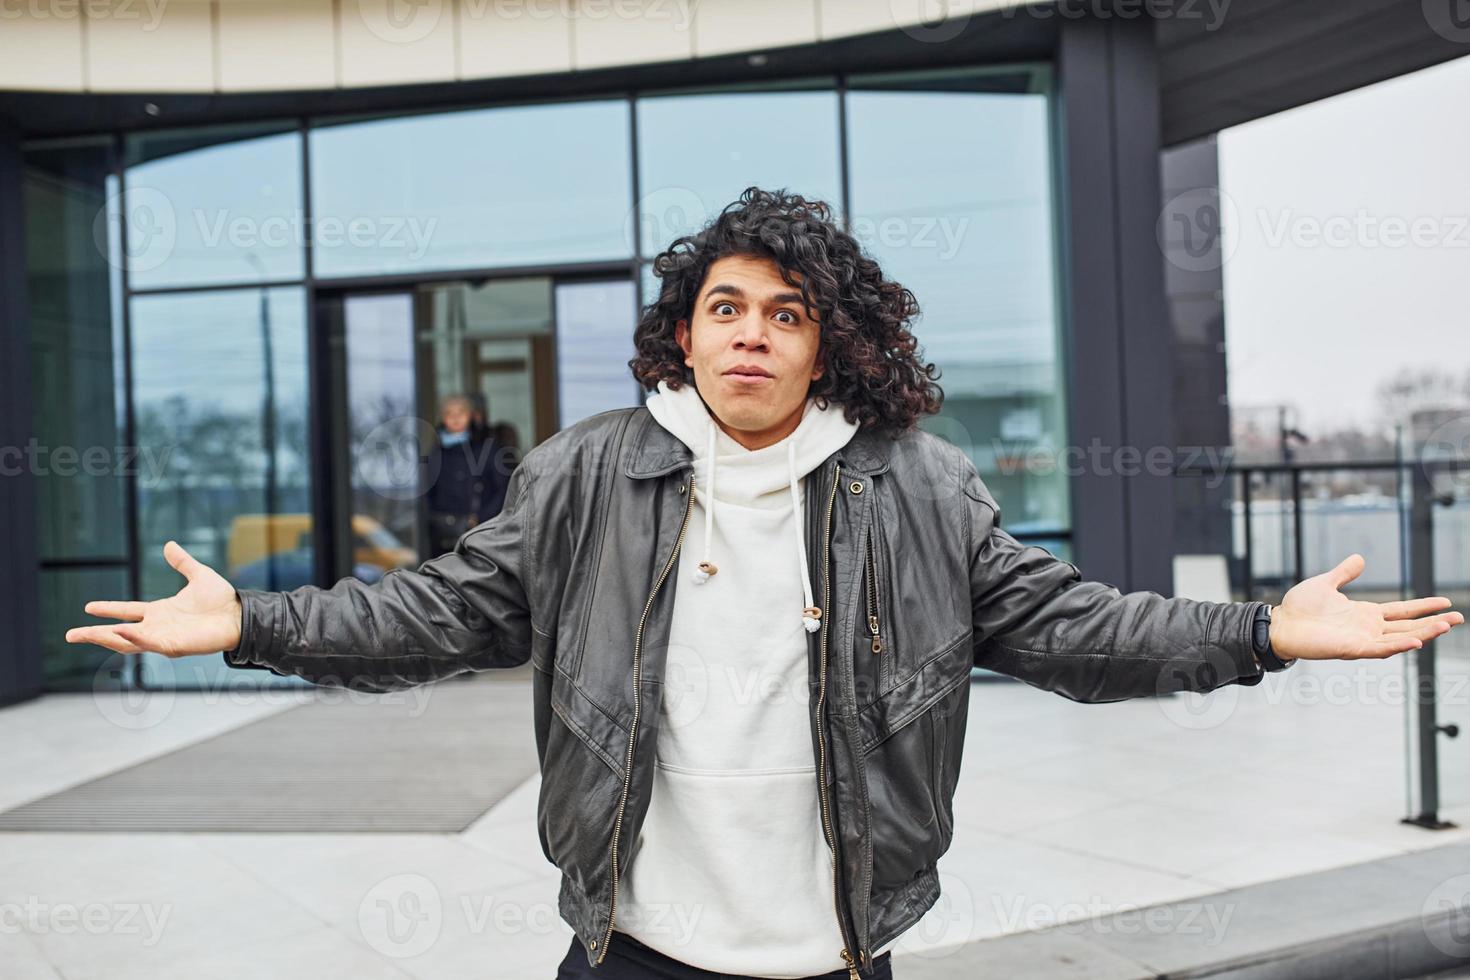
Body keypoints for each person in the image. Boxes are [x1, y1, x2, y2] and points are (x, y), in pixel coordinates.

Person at [65, 188, 1462, 980]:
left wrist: (1259, 628)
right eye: (724, 308)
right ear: (685, 334)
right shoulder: (582, 474)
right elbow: (432, 611)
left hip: (840, 951)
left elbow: (1069, 627)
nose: (750, 335)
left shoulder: (915, 482)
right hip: (632, 948)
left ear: (824, 346)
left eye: (784, 314)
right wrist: (254, 618)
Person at [425, 393, 510, 558]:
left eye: (461, 412)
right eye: (449, 413)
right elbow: (427, 496)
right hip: (444, 538)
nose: (455, 418)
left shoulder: (488, 448)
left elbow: (503, 490)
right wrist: (439, 521)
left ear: (471, 416)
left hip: (481, 534)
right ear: (443, 418)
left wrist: (481, 519)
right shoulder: (435, 454)